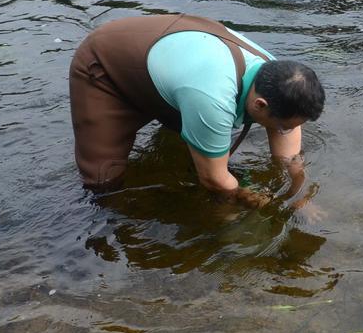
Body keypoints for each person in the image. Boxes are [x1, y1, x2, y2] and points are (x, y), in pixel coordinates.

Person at [68, 14, 324, 211]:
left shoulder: (283, 80)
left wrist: (299, 196)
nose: (284, 130)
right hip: (105, 69)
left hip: (178, 70)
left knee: (190, 145)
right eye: (281, 125)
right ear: (260, 105)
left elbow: (289, 156)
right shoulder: (213, 97)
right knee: (103, 184)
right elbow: (215, 181)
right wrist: (261, 203)